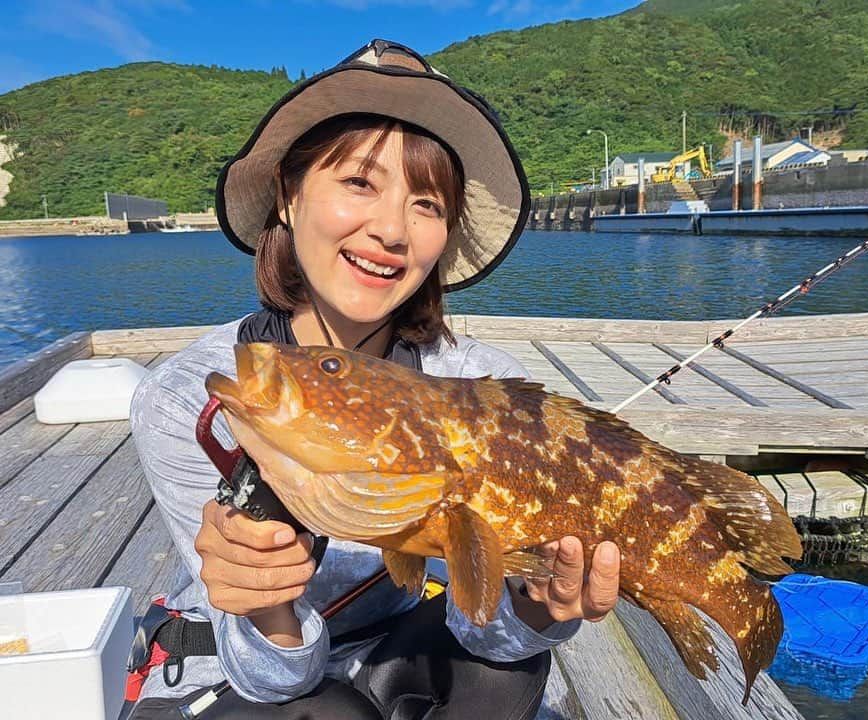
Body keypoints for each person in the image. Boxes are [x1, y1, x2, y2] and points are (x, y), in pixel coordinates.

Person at [128, 39, 621, 719]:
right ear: (289, 197)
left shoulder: (484, 387)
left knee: (505, 683)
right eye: (359, 183)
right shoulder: (191, 398)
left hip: (399, 656)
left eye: (426, 204)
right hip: (240, 676)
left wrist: (540, 606)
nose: (391, 229)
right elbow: (273, 681)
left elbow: (497, 641)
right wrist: (268, 601)